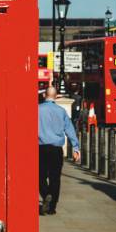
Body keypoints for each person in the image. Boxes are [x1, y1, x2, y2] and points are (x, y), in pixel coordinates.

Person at [38, 85, 80, 215]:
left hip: (41, 148)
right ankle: (52, 207)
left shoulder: (36, 110)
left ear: (44, 95)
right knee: (55, 178)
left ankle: (45, 195)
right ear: (56, 97)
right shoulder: (61, 111)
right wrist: (76, 147)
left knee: (40, 176)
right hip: (56, 149)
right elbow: (70, 129)